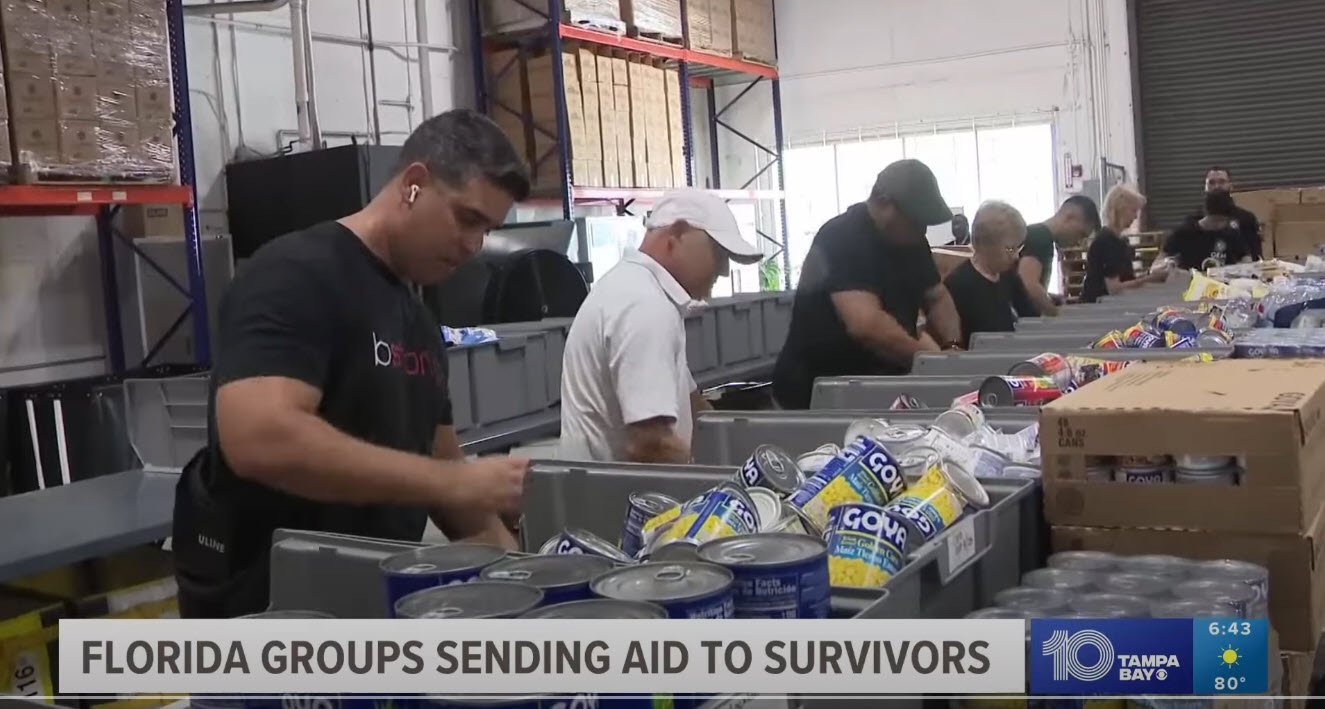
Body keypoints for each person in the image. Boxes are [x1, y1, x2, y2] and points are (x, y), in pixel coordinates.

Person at [171, 110, 533, 618]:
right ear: (413, 184)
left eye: (487, 230)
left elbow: (452, 486)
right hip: (270, 615)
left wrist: (530, 578)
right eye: (467, 218)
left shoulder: (418, 323)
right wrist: (452, 482)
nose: (474, 246)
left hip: (368, 605)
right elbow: (260, 438)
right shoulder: (295, 274)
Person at [559, 189, 761, 463]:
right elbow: (650, 444)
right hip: (614, 490)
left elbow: (692, 402)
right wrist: (716, 478)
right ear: (677, 234)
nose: (724, 270)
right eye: (719, 253)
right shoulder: (644, 304)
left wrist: (741, 453)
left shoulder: (640, 290)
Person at [772, 159, 963, 410]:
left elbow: (937, 297)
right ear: (884, 203)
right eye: (916, 221)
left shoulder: (912, 242)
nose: (922, 230)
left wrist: (952, 348)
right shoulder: (843, 236)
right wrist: (932, 364)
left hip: (873, 386)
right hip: (816, 393)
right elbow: (867, 326)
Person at [941, 201, 1038, 348]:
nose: (1016, 257)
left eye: (1018, 248)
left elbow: (1030, 317)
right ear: (983, 245)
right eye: (1010, 249)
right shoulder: (957, 285)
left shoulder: (1008, 275)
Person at [1080, 184, 1169, 303]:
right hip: (1098, 306)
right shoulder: (1107, 242)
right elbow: (1114, 288)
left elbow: (1124, 279)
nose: (1136, 216)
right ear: (1120, 210)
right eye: (1133, 210)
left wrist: (1148, 276)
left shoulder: (1119, 241)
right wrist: (1149, 279)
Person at [1017, 195, 1100, 316]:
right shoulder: (1041, 238)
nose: (1078, 242)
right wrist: (1057, 314)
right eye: (1081, 234)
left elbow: (1021, 286)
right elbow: (1028, 284)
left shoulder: (1038, 235)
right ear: (1070, 217)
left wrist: (1049, 297)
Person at [1163, 189, 1252, 270]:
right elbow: (1163, 256)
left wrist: (1244, 267)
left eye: (1222, 221)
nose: (1218, 225)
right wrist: (1168, 264)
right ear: (1205, 214)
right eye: (1214, 221)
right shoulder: (1184, 232)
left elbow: (1245, 256)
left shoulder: (1231, 232)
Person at [1200, 166, 1262, 260]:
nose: (1217, 187)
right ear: (1205, 187)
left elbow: (1255, 255)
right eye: (1211, 183)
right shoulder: (1195, 220)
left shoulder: (1247, 219)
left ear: (1230, 185)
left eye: (1222, 182)